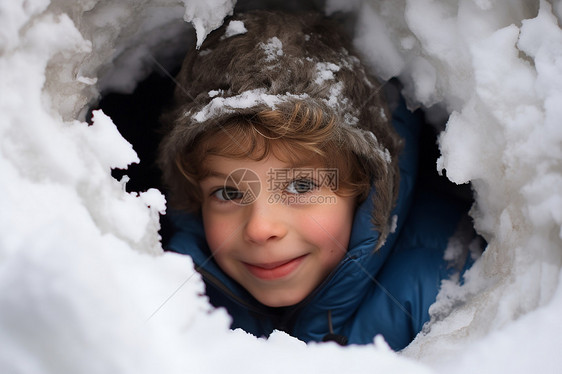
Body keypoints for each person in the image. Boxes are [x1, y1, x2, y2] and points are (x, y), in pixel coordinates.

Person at [158, 10, 477, 350]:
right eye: (229, 192)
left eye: (301, 186)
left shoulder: (441, 291)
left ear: (366, 188)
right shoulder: (175, 296)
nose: (259, 228)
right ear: (194, 199)